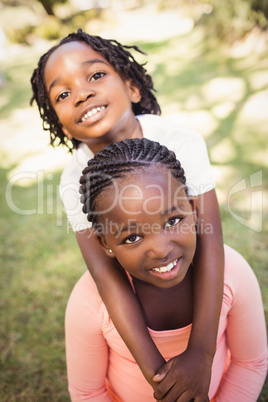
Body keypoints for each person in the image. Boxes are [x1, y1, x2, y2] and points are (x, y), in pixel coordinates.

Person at [30, 29, 225, 399]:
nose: (82, 93)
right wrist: (159, 378)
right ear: (60, 123)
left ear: (133, 89)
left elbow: (211, 241)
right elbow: (108, 279)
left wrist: (202, 352)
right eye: (63, 94)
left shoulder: (181, 141)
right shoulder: (75, 179)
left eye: (96, 75)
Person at [65, 137, 267, 401]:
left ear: (194, 211)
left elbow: (250, 363)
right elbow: (88, 392)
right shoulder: (89, 303)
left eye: (172, 220)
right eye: (132, 238)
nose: (160, 249)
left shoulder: (233, 272)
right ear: (106, 244)